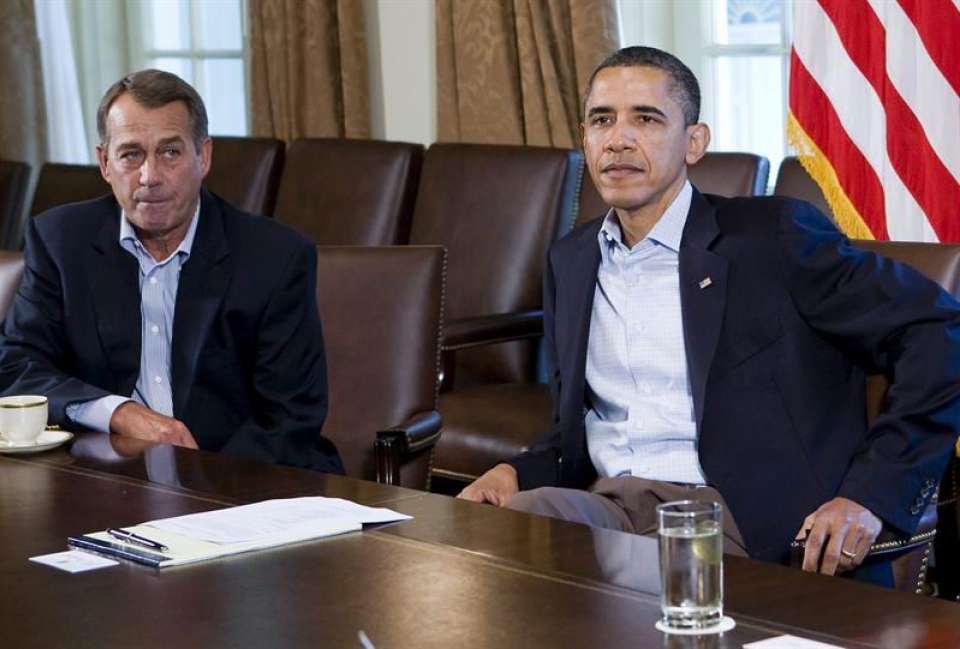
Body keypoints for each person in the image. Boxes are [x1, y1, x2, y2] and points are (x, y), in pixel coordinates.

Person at [459, 46, 960, 585]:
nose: (618, 139)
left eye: (646, 119)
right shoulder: (572, 259)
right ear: (585, 138)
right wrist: (515, 471)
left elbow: (940, 330)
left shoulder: (772, 238)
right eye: (602, 120)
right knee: (487, 551)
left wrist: (869, 495)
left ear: (694, 142)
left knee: (623, 605)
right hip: (607, 508)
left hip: (733, 521)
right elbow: (573, 429)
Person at [0, 69, 342, 473]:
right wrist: (118, 412)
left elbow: (290, 417)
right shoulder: (60, 241)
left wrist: (199, 488)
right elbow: (16, 368)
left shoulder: (276, 256)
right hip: (111, 482)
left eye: (170, 152)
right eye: (131, 154)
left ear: (204, 156)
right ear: (105, 163)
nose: (150, 177)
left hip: (248, 482)